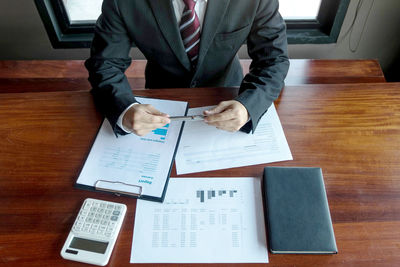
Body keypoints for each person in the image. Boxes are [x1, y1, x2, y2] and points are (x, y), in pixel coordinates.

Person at [85, 0, 289, 136]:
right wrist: (124, 109)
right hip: (160, 95)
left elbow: (273, 58)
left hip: (226, 90)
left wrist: (248, 106)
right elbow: (105, 63)